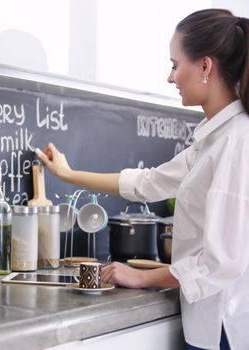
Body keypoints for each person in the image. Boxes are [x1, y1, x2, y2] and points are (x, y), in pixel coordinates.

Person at [37, 9, 249, 350]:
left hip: (225, 326)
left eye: (175, 65)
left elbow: (222, 262)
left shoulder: (236, 141)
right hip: (210, 323)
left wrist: (142, 277)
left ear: (205, 67)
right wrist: (67, 173)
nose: (170, 77)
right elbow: (148, 183)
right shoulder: (214, 139)